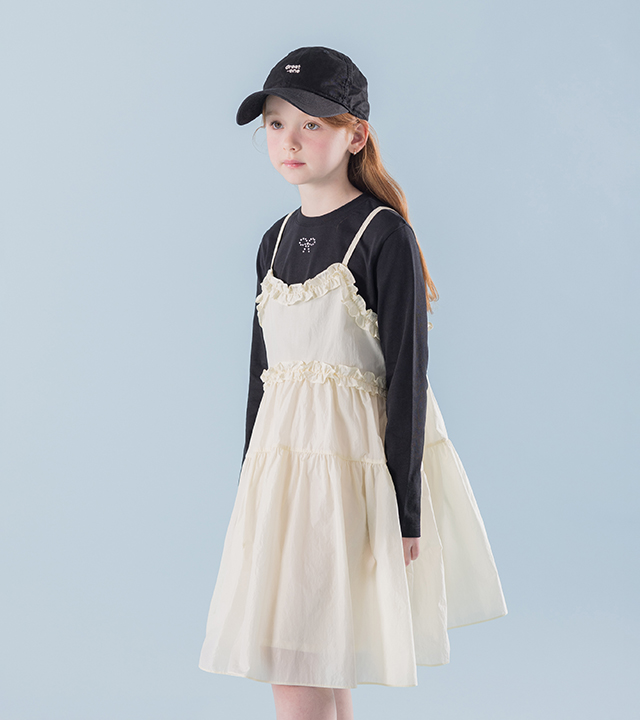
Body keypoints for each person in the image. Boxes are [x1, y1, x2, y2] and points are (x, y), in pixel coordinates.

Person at [199, 46, 507, 720]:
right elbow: (262, 375)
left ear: (355, 135)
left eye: (311, 123)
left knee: (298, 658)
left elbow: (407, 375)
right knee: (316, 660)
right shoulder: (274, 240)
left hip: (347, 476)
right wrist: (250, 489)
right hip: (281, 479)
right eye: (276, 124)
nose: (290, 140)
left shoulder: (382, 236)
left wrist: (404, 511)